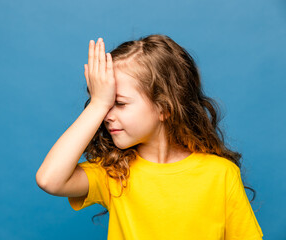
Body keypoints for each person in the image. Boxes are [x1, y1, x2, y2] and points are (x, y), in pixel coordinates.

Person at [35, 35, 264, 239]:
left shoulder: (221, 174)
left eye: (120, 103)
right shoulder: (114, 172)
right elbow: (49, 180)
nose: (107, 116)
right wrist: (97, 104)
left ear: (164, 108)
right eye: (106, 105)